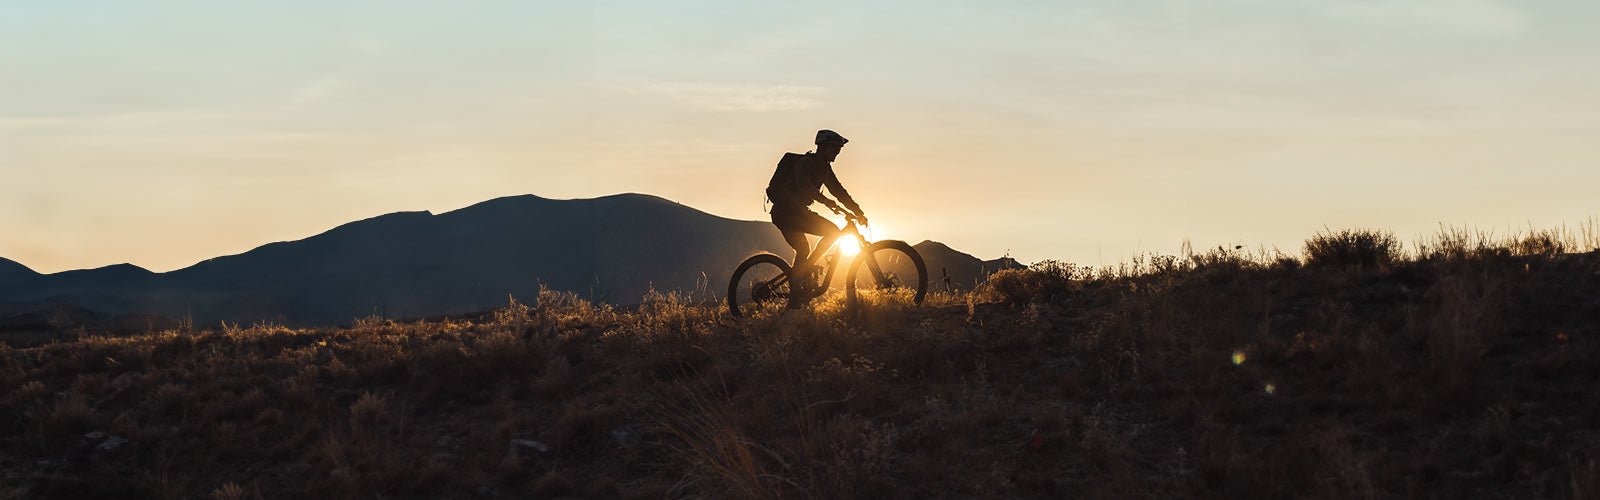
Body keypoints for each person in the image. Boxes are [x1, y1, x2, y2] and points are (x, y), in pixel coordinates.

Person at [766, 129, 869, 307]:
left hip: (796, 212)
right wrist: (828, 203)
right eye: (835, 149)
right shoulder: (806, 163)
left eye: (839, 150)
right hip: (786, 212)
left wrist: (858, 211)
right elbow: (804, 185)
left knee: (811, 245)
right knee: (821, 238)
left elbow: (839, 192)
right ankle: (799, 285)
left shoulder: (825, 169)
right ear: (823, 147)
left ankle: (802, 279)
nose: (837, 152)